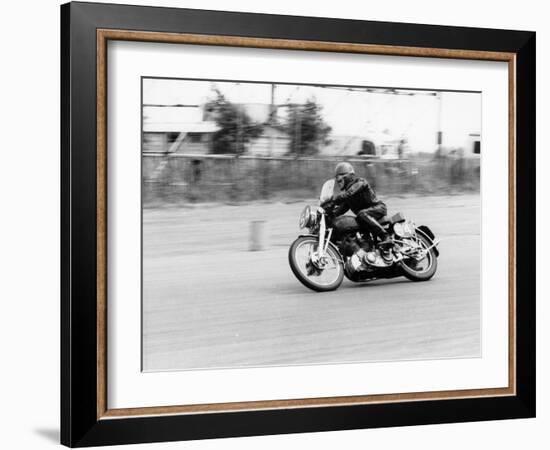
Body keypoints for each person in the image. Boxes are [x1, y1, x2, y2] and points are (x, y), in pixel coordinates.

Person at [328, 162, 392, 250]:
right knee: (352, 225)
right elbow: (339, 210)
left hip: (378, 208)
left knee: (361, 214)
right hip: (365, 217)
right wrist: (327, 213)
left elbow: (349, 193)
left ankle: (386, 237)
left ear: (348, 176)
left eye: (340, 178)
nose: (338, 182)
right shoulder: (348, 198)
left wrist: (333, 200)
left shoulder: (360, 183)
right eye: (337, 180)